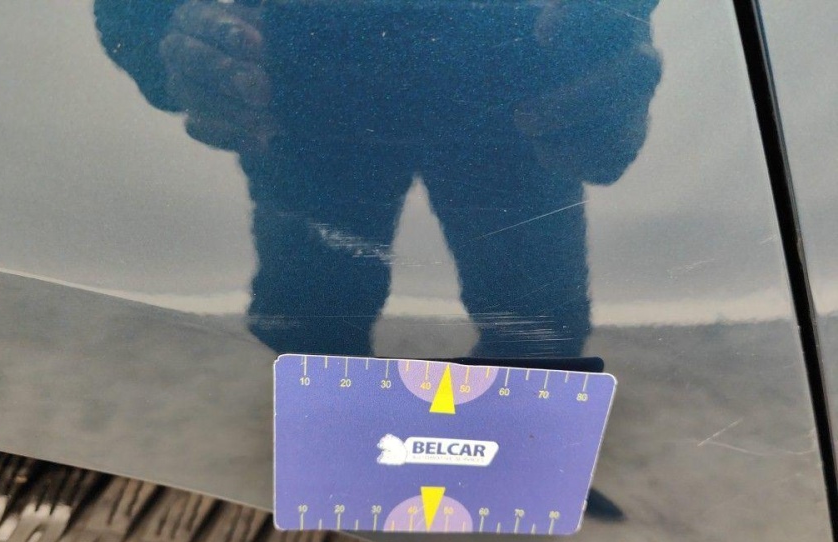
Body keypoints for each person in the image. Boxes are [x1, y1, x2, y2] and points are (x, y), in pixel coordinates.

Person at [95, 0, 661, 358]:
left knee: (535, 325)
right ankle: (507, 463)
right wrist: (157, 34)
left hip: (339, 88)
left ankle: (351, 459)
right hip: (474, 83)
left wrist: (605, 34)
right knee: (313, 318)